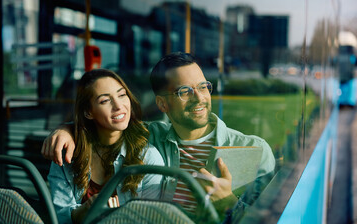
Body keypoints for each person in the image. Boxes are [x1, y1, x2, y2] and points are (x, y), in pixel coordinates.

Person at [43, 52, 275, 215]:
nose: (200, 98)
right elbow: (106, 126)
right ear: (162, 105)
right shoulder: (147, 136)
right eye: (185, 91)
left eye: (203, 86)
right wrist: (68, 130)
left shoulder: (253, 151)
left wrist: (228, 202)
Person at [47, 69, 164, 224]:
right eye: (105, 101)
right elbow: (59, 222)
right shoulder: (67, 155)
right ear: (88, 112)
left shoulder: (148, 156)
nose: (118, 106)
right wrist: (84, 212)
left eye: (122, 95)